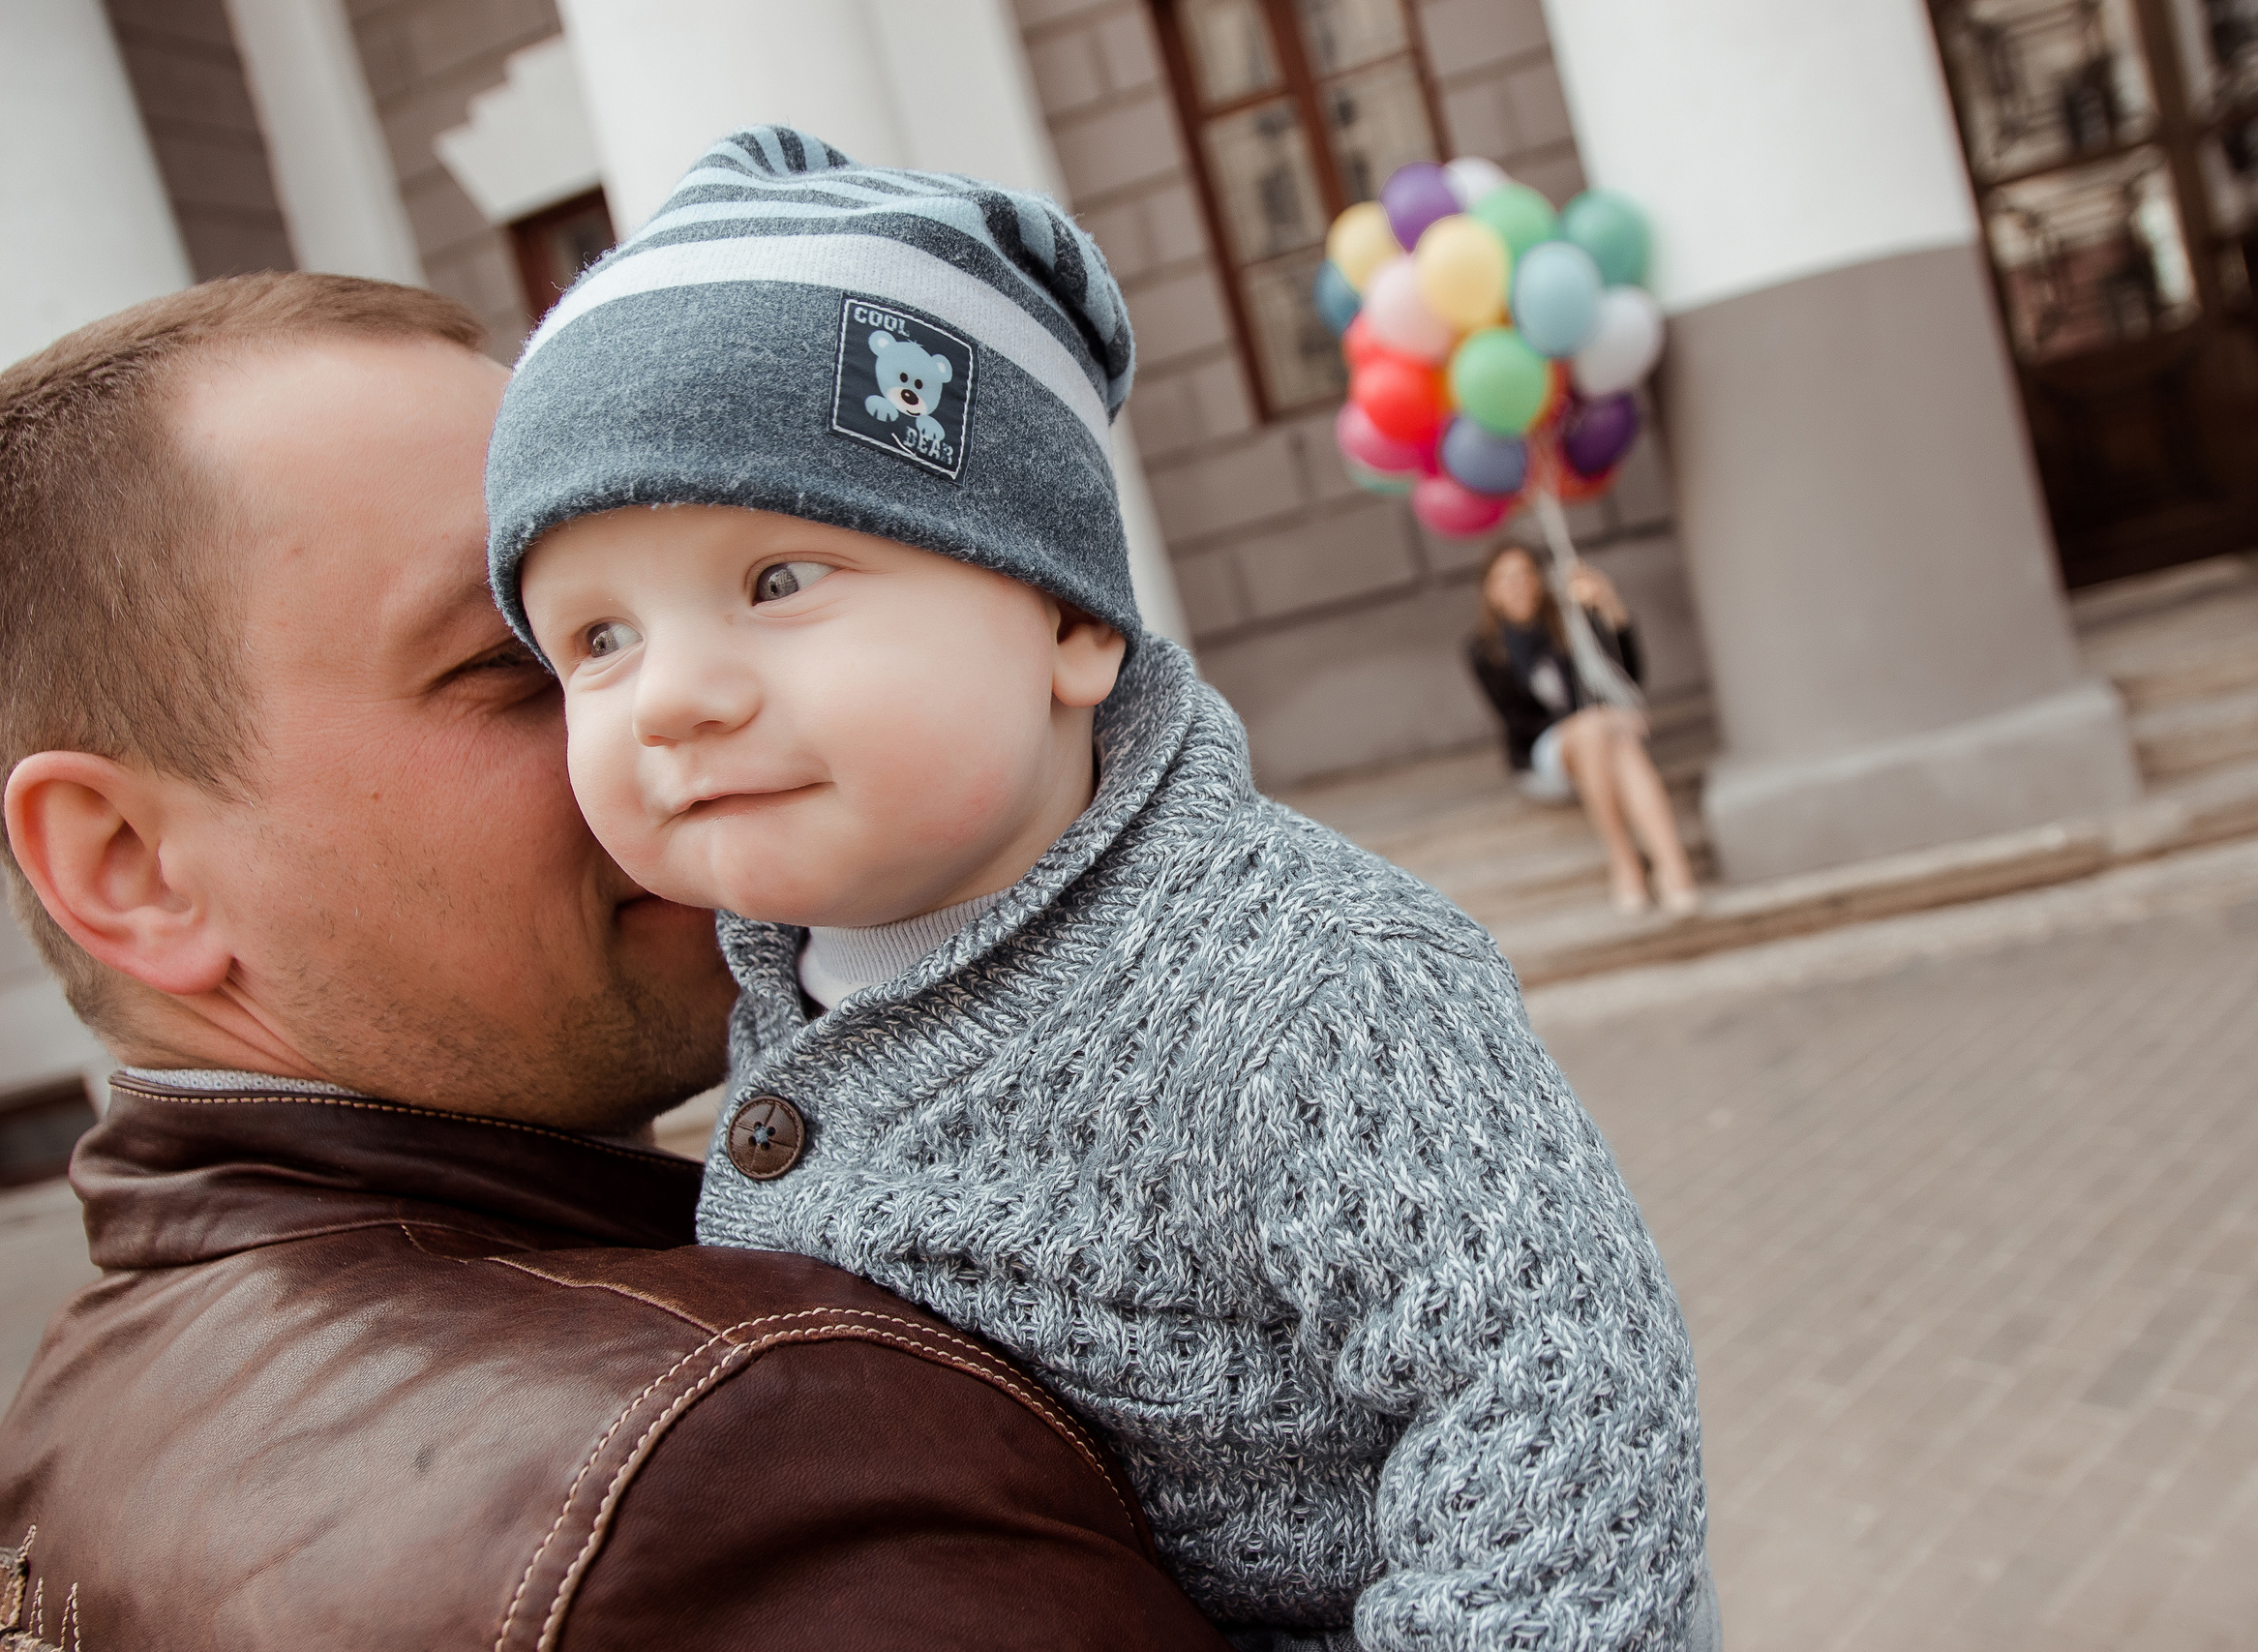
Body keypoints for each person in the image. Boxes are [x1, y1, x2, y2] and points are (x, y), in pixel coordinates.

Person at [487, 127, 1716, 1652]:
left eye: (777, 580)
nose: (671, 697)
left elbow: (1559, 1397)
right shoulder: (787, 981)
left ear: (1069, 621)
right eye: (597, 640)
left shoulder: (1306, 980)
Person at [0, 274, 1229, 1650]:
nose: (674, 716)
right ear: (131, 863)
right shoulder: (735, 1464)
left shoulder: (80, 1416)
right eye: (527, 656)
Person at [1466, 544, 1701, 917]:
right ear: (1490, 591)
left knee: (1622, 747)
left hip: (1603, 741)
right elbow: (1519, 721)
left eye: (1526, 574)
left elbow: (1627, 676)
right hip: (1546, 754)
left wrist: (1609, 604)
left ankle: (1668, 869)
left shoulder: (1569, 622)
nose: (1519, 584)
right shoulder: (1485, 651)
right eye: (1506, 578)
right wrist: (1596, 720)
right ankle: (1631, 860)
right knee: (1597, 730)